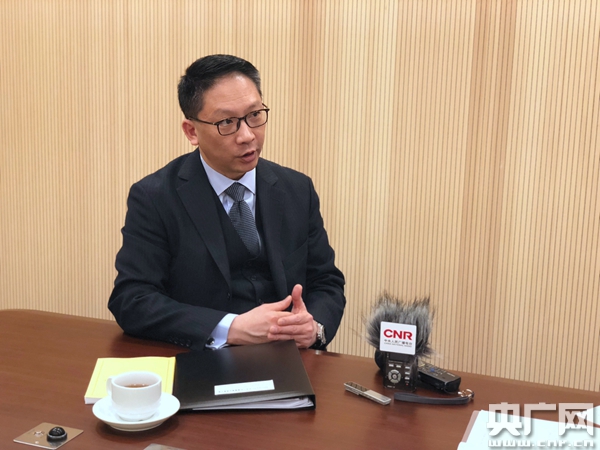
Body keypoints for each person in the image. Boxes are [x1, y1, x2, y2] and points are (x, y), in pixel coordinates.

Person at [108, 54, 345, 351]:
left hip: (290, 358)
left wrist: (313, 329)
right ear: (192, 131)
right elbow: (132, 299)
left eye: (255, 115)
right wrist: (231, 328)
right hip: (202, 359)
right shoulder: (155, 197)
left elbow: (326, 281)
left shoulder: (297, 189)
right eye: (227, 122)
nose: (247, 135)